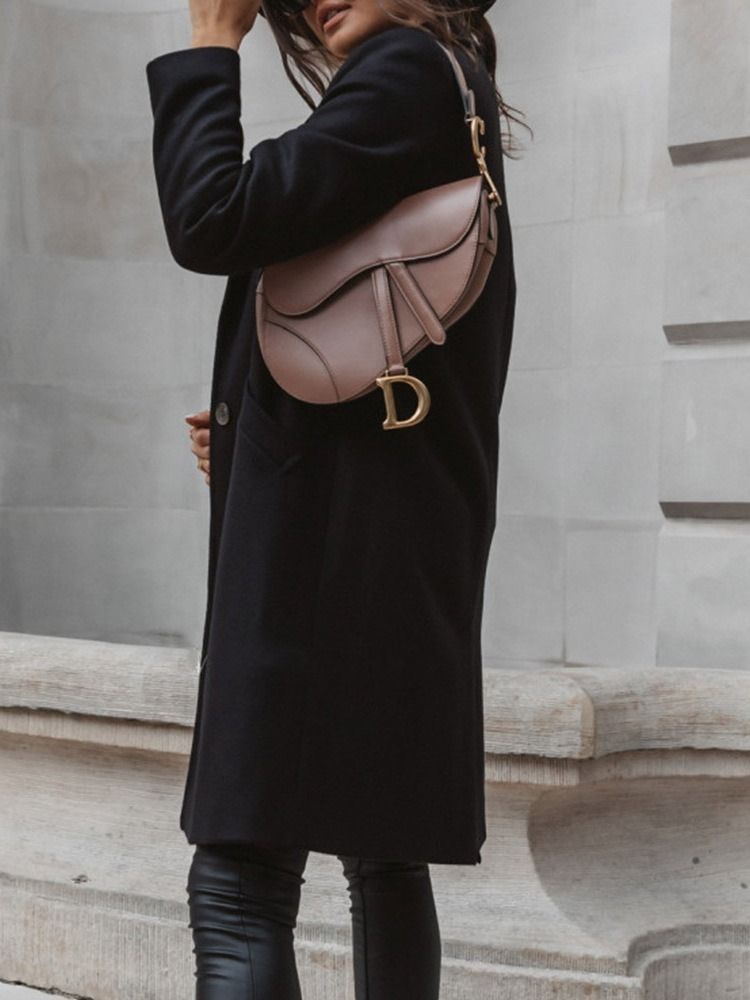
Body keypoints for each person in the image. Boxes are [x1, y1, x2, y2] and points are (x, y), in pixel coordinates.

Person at [146, 0, 522, 993]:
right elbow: (377, 317)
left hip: (329, 561)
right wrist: (253, 428)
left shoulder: (400, 72)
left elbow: (213, 217)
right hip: (385, 547)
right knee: (382, 857)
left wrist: (212, 40)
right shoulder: (448, 85)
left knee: (239, 877)